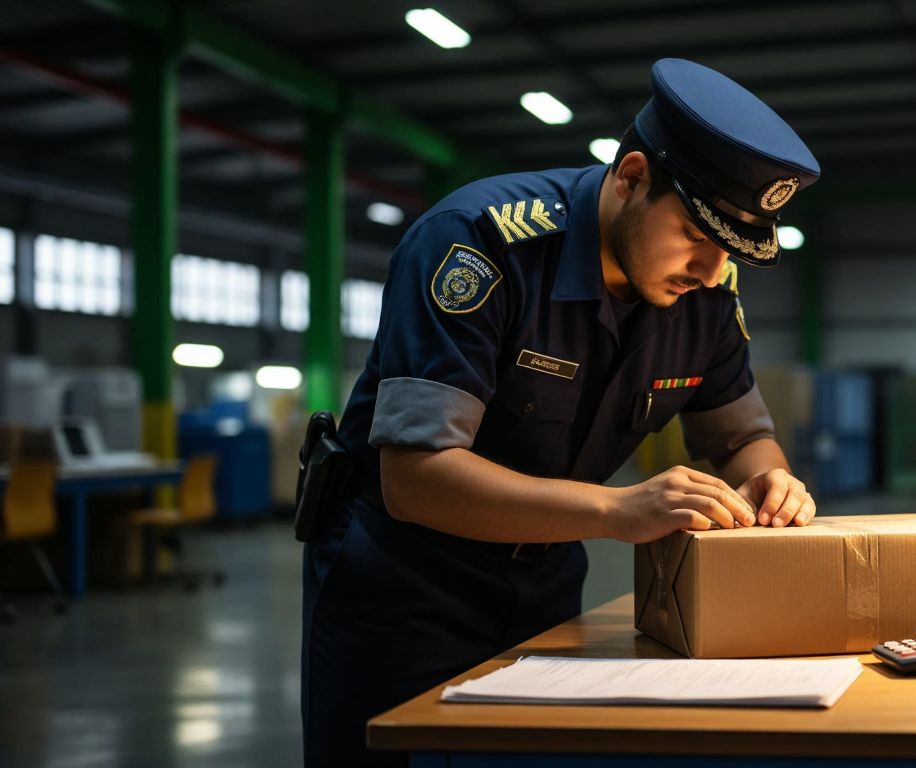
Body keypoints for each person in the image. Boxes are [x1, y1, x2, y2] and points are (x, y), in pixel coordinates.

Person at [301, 58, 821, 767]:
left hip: (546, 583)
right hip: (403, 585)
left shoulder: (705, 296)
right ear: (632, 176)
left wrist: (772, 481)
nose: (709, 271)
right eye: (697, 240)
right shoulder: (479, 243)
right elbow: (416, 477)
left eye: (729, 253)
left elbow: (744, 435)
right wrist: (615, 512)